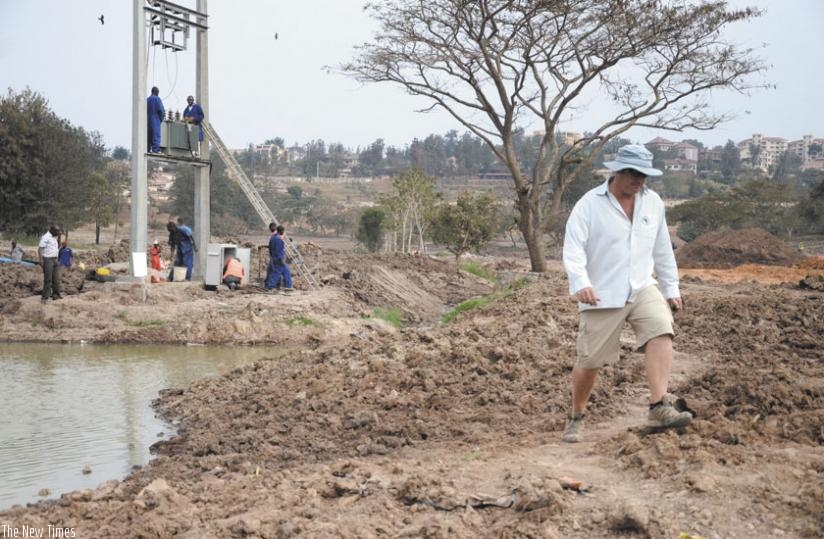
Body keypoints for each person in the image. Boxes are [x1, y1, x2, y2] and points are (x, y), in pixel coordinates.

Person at [561, 144, 691, 443]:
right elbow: (573, 248)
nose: (639, 180)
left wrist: (671, 288)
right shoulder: (589, 205)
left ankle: (659, 406)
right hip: (601, 292)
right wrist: (581, 282)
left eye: (644, 175)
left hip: (642, 285)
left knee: (661, 330)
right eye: (633, 173)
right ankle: (576, 415)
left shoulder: (653, 203)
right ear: (617, 170)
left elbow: (662, 248)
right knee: (590, 361)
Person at [38, 225, 62, 303]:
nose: (58, 233)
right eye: (57, 231)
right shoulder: (45, 237)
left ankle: (56, 295)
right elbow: (40, 249)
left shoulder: (55, 236)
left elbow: (58, 246)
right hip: (48, 260)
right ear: (52, 230)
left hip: (55, 259)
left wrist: (59, 237)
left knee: (56, 279)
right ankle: (45, 298)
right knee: (48, 279)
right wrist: (41, 260)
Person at [266, 224, 293, 291]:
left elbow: (270, 248)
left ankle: (288, 286)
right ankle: (270, 286)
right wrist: (281, 259)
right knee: (276, 273)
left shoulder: (273, 238)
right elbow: (279, 250)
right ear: (282, 231)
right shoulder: (278, 240)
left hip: (274, 258)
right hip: (279, 259)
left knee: (286, 271)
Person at [147, 86, 165, 153]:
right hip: (155, 119)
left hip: (147, 119)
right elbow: (161, 110)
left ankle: (147, 149)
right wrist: (160, 119)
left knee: (148, 135)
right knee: (156, 134)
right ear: (157, 92)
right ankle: (156, 149)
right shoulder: (157, 99)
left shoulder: (147, 99)